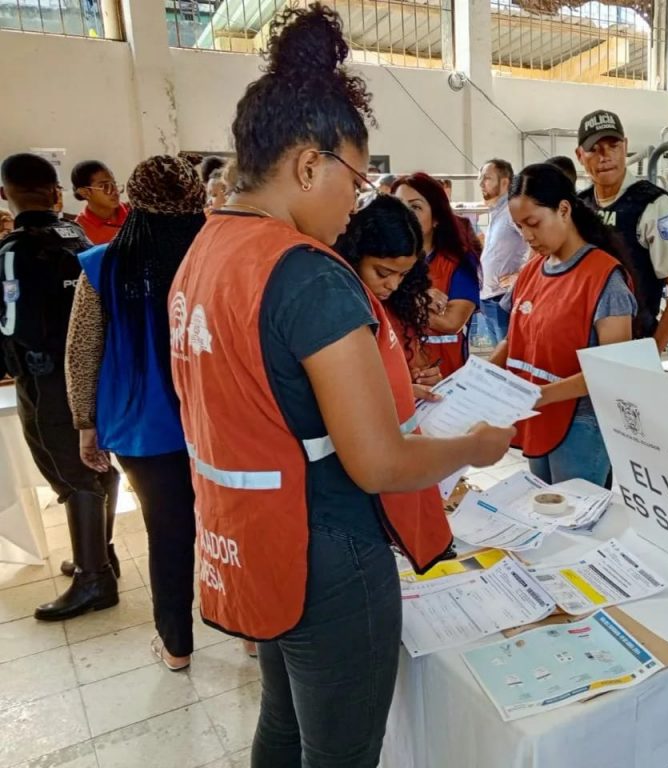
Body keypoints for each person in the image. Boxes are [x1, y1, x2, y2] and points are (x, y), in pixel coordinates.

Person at [167, 5, 513, 765]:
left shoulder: (206, 252)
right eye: (354, 182)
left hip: (252, 533)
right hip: (326, 551)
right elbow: (378, 463)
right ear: (307, 165)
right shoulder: (309, 274)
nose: (353, 204)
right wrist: (476, 448)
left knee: (285, 724)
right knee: (343, 751)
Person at [66, 155, 207, 671]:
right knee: (228, 526)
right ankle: (250, 630)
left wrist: (86, 423)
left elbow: (82, 352)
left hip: (142, 430)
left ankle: (175, 647)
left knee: (167, 532)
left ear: (134, 203)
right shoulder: (217, 258)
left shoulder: (103, 265)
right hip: (217, 424)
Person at [0, 153, 120, 621]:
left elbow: (10, 323)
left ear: (8, 194)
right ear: (55, 193)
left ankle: (93, 579)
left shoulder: (12, 251)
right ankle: (100, 553)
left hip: (45, 378)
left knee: (69, 472)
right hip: (93, 372)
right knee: (97, 461)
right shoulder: (78, 236)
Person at [490, 163, 636, 485]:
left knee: (574, 519)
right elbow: (514, 341)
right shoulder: (531, 272)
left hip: (580, 423)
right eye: (518, 228)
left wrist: (540, 395)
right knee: (544, 508)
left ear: (564, 209)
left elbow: (614, 370)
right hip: (537, 415)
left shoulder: (603, 278)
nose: (527, 237)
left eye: (533, 223)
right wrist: (479, 377)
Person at [576, 110, 668, 348]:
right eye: (594, 149)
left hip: (631, 343)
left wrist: (653, 350)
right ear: (580, 155)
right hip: (581, 341)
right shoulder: (580, 205)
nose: (605, 156)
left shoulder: (654, 205)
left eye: (613, 145)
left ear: (625, 146)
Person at [338, 194, 442, 392]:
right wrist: (399, 391)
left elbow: (415, 364)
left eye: (403, 275)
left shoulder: (402, 305)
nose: (393, 285)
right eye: (383, 273)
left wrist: (426, 377)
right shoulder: (339, 312)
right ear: (354, 258)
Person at [393, 173, 481, 378]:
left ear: (437, 218)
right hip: (397, 378)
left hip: (445, 379)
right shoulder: (379, 259)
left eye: (415, 207)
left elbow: (451, 322)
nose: (404, 215)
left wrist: (399, 302)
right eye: (398, 205)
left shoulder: (459, 262)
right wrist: (416, 299)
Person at [478, 158, 529, 343]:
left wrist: (522, 275)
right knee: (498, 358)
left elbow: (538, 243)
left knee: (506, 359)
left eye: (487, 178)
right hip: (489, 297)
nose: (481, 183)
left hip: (503, 299)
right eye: (480, 178)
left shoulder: (511, 212)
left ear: (505, 182)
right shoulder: (497, 213)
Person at [72, 160, 129, 245]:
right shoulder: (80, 231)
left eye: (114, 184)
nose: (115, 191)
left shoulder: (133, 212)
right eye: (105, 186)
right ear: (85, 192)